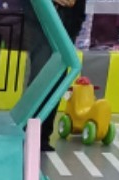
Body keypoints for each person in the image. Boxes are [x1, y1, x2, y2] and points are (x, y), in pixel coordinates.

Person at [40, 0, 88, 151]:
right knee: (39, 79)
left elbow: (75, 7)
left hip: (67, 27)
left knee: (57, 81)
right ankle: (30, 131)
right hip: (41, 27)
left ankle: (43, 135)